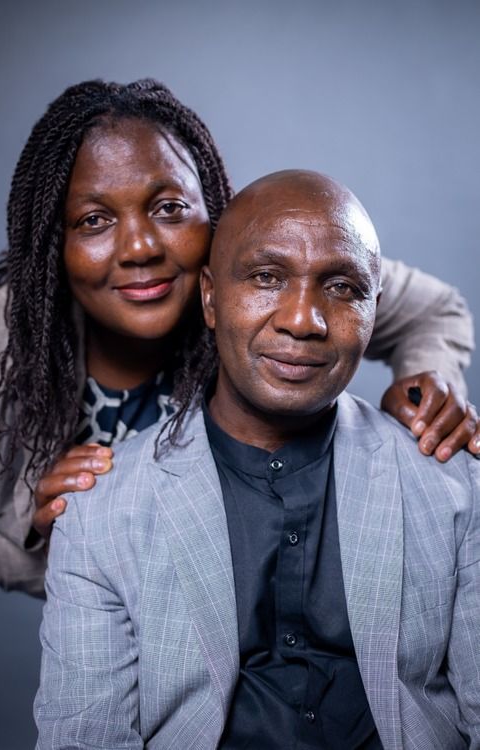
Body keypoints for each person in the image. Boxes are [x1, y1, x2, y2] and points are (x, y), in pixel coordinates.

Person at [0, 79, 478, 599]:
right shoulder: (1, 347)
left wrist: (428, 394)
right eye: (94, 219)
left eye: (169, 207)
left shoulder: (265, 271)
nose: (141, 247)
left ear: (210, 207)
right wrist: (50, 543)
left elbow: (431, 309)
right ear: (54, 241)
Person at [35, 170, 480, 749]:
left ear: (374, 312)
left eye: (342, 288)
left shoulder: (456, 486)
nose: (302, 320)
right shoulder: (99, 514)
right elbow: (84, 739)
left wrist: (432, 391)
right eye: (267, 278)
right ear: (210, 297)